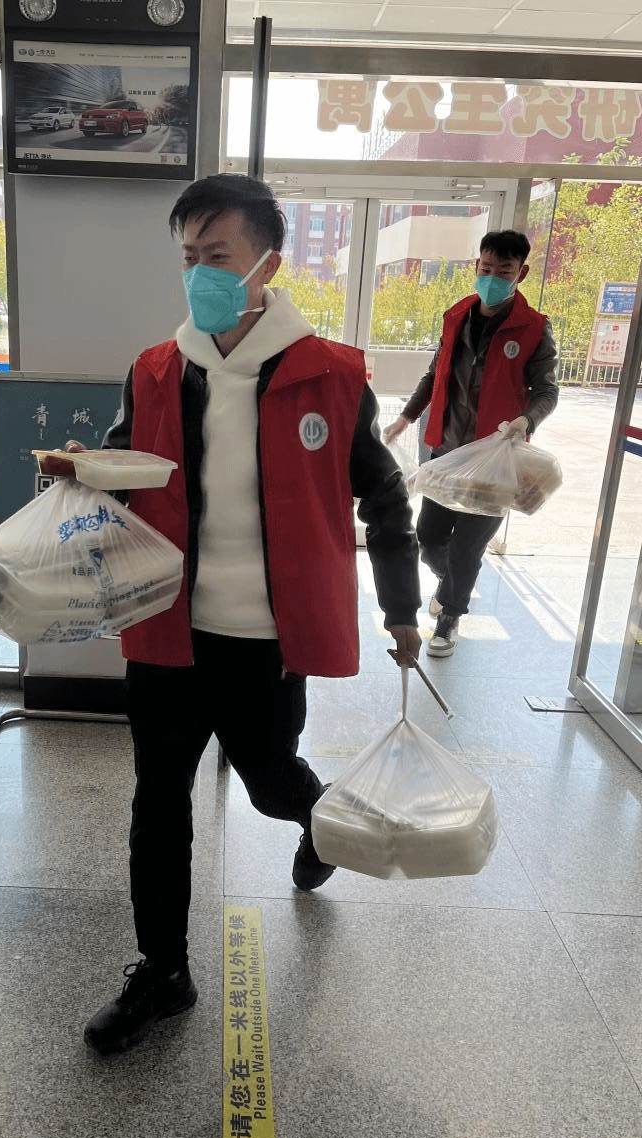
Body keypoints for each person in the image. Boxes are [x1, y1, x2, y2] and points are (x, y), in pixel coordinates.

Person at [80, 173, 422, 1056]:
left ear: (268, 261)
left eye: (218, 256)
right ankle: (162, 971)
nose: (200, 273)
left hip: (266, 639)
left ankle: (317, 822)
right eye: (188, 257)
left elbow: (384, 496)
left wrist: (401, 608)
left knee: (270, 781)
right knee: (159, 801)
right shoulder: (157, 368)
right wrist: (85, 471)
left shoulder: (330, 374)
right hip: (167, 629)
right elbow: (126, 462)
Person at [383, 229, 559, 658]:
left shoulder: (534, 328)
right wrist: (407, 416)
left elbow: (547, 390)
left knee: (467, 548)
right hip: (446, 452)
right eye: (487, 268)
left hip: (495, 460)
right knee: (428, 538)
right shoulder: (456, 316)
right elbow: (434, 374)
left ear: (521, 274)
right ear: (476, 266)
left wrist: (526, 419)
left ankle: (449, 618)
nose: (493, 278)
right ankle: (452, 586)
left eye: (505, 271)